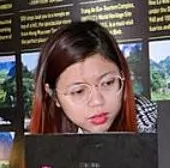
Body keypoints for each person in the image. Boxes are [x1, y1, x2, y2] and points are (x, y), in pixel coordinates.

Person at [27, 19, 156, 134]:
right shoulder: (45, 144)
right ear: (53, 95)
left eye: (108, 83)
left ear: (123, 75)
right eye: (79, 91)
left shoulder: (154, 130)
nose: (97, 101)